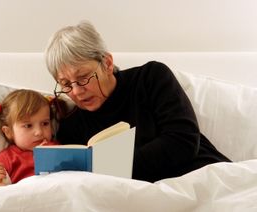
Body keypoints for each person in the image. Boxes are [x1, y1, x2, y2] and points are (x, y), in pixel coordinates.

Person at [44, 21, 231, 183]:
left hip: (205, 176)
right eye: (65, 84)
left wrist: (106, 167)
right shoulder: (71, 127)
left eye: (84, 77)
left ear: (107, 63)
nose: (76, 91)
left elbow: (183, 142)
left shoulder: (151, 78)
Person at [0, 89, 59, 186]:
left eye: (45, 123)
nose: (39, 132)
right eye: (28, 126)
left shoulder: (57, 148)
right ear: (9, 132)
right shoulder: (8, 158)